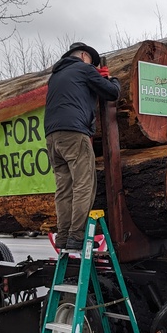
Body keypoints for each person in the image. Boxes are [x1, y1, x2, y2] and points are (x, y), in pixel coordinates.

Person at [45, 42, 121, 251]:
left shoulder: (55, 76)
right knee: (84, 184)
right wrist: (113, 80)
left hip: (52, 137)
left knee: (63, 188)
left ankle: (63, 236)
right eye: (93, 63)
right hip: (74, 133)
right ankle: (76, 236)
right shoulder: (83, 68)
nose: (94, 67)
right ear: (84, 55)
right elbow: (111, 93)